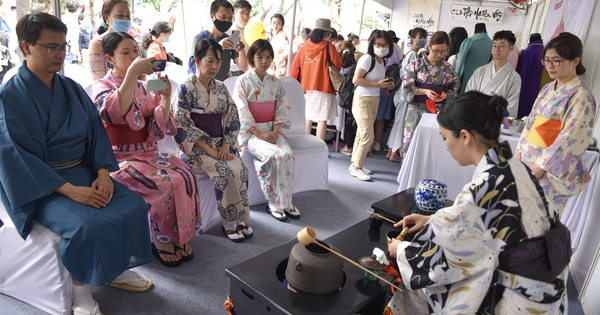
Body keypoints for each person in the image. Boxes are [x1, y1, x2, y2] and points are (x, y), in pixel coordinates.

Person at [0, 13, 153, 315]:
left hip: (84, 170)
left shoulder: (70, 87)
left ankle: (116, 269)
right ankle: (79, 290)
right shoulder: (9, 96)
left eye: (63, 46)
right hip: (42, 185)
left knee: (133, 205)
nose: (60, 54)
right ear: (27, 46)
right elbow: (15, 157)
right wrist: (70, 191)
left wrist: (103, 174)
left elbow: (95, 133)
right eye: (51, 47)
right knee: (85, 225)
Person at [385, 91, 569, 314]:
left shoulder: (482, 188)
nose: (445, 146)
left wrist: (402, 250)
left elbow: (444, 262)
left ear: (464, 136)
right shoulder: (514, 168)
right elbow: (493, 217)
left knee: (423, 286)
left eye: (445, 138)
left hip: (514, 297)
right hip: (546, 285)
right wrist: (431, 218)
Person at [93, 31, 201, 267]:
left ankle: (177, 235)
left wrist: (165, 97)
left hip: (148, 151)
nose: (133, 56)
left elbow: (160, 128)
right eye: (126, 52)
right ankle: (160, 239)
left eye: (135, 51)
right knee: (161, 183)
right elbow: (114, 112)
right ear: (110, 58)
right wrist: (133, 72)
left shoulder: (146, 84)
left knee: (185, 174)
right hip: (119, 157)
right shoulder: (101, 85)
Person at [173, 39, 251, 243]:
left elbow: (232, 115)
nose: (215, 67)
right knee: (225, 172)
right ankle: (229, 221)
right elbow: (181, 124)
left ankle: (240, 216)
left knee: (240, 169)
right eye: (209, 61)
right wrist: (209, 149)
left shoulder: (221, 87)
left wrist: (226, 143)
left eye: (218, 61)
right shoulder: (185, 88)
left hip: (220, 144)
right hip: (196, 148)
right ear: (197, 61)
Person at [515, 32, 596, 217]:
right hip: (527, 160)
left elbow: (571, 138)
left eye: (556, 60)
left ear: (575, 61)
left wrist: (542, 167)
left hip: (547, 170)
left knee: (537, 222)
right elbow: (531, 122)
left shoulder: (581, 95)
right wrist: (519, 154)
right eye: (547, 60)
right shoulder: (547, 88)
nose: (549, 65)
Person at [232, 39, 300, 221]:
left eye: (268, 57)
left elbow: (282, 108)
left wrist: (276, 131)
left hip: (272, 129)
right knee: (271, 156)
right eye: (259, 56)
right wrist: (258, 133)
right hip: (251, 133)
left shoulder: (275, 82)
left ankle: (286, 201)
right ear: (251, 58)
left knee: (287, 154)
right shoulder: (243, 81)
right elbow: (241, 110)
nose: (264, 60)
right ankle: (274, 202)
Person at [400, 31, 460, 160]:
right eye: (436, 51)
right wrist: (424, 91)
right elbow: (406, 87)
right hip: (416, 109)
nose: (439, 55)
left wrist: (446, 96)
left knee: (433, 143)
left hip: (438, 111)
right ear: (429, 47)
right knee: (412, 141)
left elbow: (455, 87)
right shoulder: (415, 65)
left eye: (443, 52)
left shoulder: (448, 68)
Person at [348, 30, 395, 181]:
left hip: (374, 99)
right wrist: (377, 84)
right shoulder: (367, 59)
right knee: (368, 134)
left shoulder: (382, 61)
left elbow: (377, 81)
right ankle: (357, 167)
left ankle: (355, 164)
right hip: (362, 99)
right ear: (372, 44)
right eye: (378, 44)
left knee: (362, 133)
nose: (381, 47)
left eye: (385, 44)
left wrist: (386, 84)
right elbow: (356, 80)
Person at [290, 18, 342, 142]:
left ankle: (305, 143)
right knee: (322, 119)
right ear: (326, 33)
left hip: (307, 86)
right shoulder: (329, 46)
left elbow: (297, 64)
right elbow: (338, 65)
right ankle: (319, 147)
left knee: (309, 116)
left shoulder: (305, 45)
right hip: (324, 85)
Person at [386, 27, 427, 163]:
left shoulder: (412, 54)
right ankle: (393, 152)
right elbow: (409, 76)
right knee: (400, 123)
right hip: (405, 93)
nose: (422, 41)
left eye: (424, 38)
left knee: (398, 122)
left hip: (402, 92)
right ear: (412, 39)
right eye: (420, 37)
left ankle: (392, 151)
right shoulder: (413, 55)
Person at [465, 30, 521, 117]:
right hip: (476, 117)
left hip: (496, 121)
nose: (496, 49)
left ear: (511, 48)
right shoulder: (480, 71)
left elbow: (511, 106)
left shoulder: (515, 78)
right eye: (494, 45)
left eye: (501, 46)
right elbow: (469, 96)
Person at [190, 0, 247, 82]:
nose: (227, 21)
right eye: (223, 17)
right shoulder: (200, 38)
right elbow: (195, 63)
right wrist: (218, 46)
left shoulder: (229, 40)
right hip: (204, 84)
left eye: (230, 18)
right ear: (212, 17)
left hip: (224, 85)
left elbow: (243, 67)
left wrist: (241, 49)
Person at [88, 0, 134, 81]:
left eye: (128, 16)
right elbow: (98, 79)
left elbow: (141, 76)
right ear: (106, 18)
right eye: (120, 15)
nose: (125, 19)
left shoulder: (132, 42)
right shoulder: (97, 43)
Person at [372, 30, 402, 153]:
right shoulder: (398, 51)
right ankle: (377, 143)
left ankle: (369, 144)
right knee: (380, 118)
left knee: (371, 118)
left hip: (377, 88)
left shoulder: (376, 54)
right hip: (389, 89)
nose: (381, 47)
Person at [455, 23, 492, 93]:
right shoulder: (492, 43)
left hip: (468, 77)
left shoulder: (469, 41)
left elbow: (460, 62)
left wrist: (455, 80)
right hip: (484, 79)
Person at [337, 40, 357, 156]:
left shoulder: (338, 67)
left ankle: (348, 146)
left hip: (342, 99)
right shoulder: (355, 67)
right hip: (352, 99)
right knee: (351, 123)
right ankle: (350, 145)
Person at [62, 0, 80, 65]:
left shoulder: (62, 18)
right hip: (70, 52)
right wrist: (79, 55)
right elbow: (74, 42)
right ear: (78, 10)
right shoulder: (73, 22)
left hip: (62, 50)